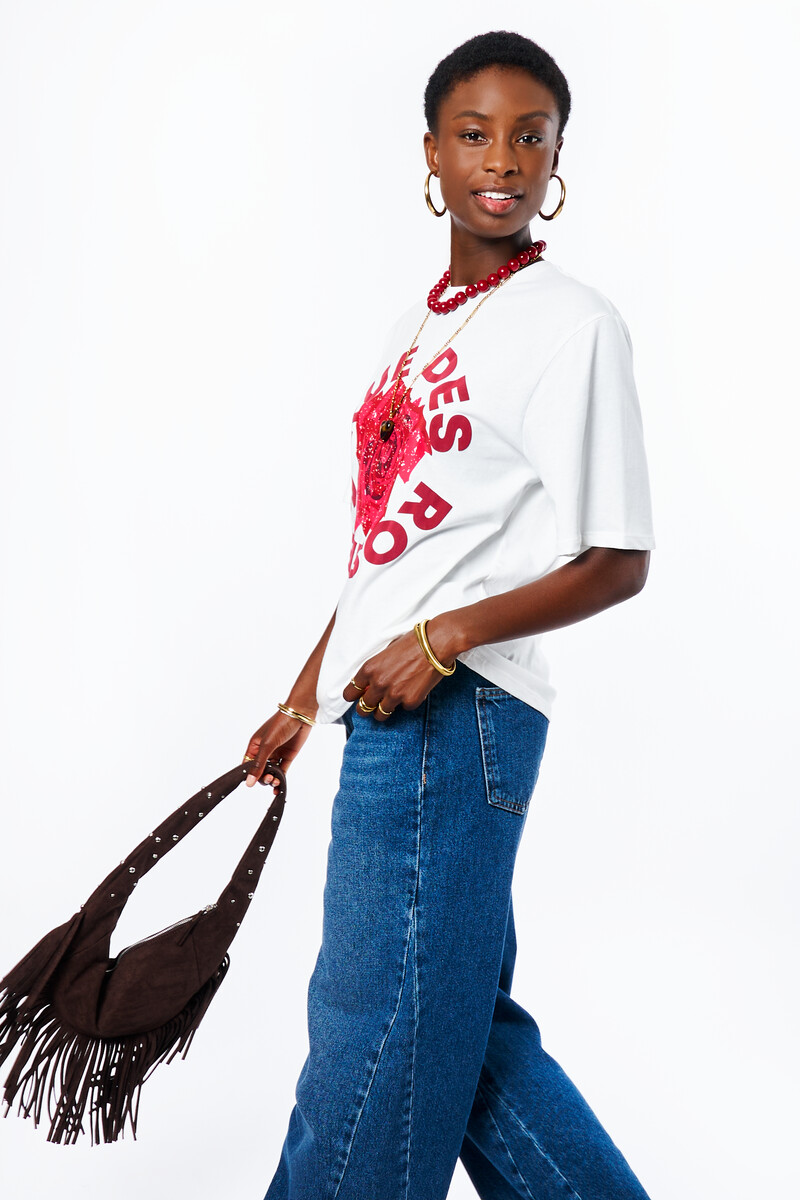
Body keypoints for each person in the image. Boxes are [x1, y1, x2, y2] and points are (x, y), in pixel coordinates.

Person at [244, 29, 656, 1200]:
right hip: (390, 707)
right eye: (474, 134)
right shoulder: (416, 327)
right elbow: (388, 546)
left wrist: (443, 639)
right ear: (430, 152)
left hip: (453, 716)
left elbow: (618, 559)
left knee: (366, 1047)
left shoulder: (570, 323)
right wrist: (303, 696)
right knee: (460, 1042)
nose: (502, 160)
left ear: (557, 156)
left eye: (530, 136)